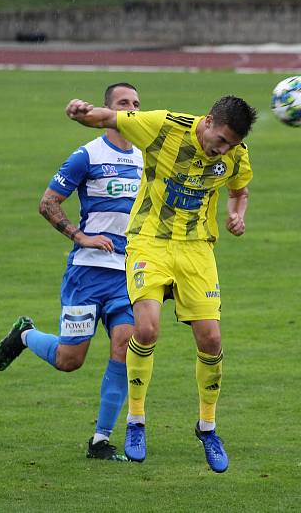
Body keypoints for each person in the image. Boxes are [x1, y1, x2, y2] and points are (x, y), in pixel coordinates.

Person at [64, 94, 257, 473]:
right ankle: (136, 421)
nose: (223, 150)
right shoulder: (165, 126)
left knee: (212, 339)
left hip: (196, 249)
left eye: (230, 145)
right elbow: (110, 118)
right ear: (208, 121)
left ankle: (207, 427)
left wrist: (238, 216)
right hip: (149, 242)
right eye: (220, 141)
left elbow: (239, 191)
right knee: (147, 329)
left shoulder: (235, 154)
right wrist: (82, 113)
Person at [0, 82, 143, 462]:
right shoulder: (87, 156)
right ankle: (25, 335)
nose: (131, 109)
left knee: (125, 347)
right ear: (107, 111)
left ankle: (100, 440)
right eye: (123, 103)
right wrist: (81, 236)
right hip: (87, 274)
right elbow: (48, 203)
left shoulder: (146, 158)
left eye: (136, 104)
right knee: (69, 360)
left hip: (128, 273)